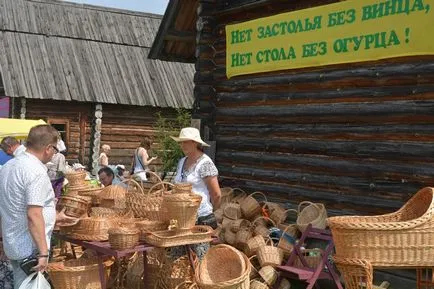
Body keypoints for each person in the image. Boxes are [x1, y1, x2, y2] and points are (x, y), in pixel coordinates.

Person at [0, 125, 79, 288]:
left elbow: (16, 205)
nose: (55, 153)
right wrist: (43, 252)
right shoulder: (35, 171)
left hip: (13, 241)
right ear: (49, 148)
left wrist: (55, 216)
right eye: (56, 149)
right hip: (29, 247)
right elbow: (33, 214)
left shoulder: (9, 166)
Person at [171, 127, 221, 229]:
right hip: (182, 218)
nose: (182, 145)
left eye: (186, 142)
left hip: (202, 218)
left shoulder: (205, 163)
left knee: (199, 245)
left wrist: (211, 212)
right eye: (181, 142)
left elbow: (216, 194)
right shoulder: (182, 162)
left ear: (195, 143)